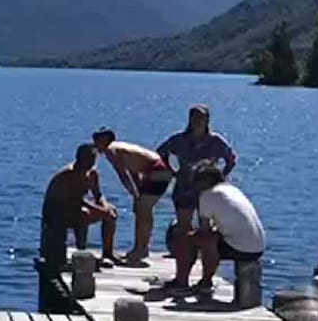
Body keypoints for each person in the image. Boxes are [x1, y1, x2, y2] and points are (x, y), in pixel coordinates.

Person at [171, 161, 264, 295]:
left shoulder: (208, 195)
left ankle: (183, 284)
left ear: (206, 181)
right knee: (209, 238)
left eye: (196, 180)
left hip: (239, 248)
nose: (194, 184)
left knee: (186, 240)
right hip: (257, 248)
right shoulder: (232, 190)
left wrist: (189, 235)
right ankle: (205, 282)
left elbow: (204, 231)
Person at [157, 104, 237, 254]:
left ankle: (205, 258)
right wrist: (171, 171)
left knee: (205, 229)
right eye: (195, 117)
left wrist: (219, 178)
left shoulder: (216, 141)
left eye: (202, 118)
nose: (198, 121)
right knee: (183, 226)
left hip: (206, 190)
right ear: (190, 119)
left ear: (207, 120)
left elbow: (231, 160)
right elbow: (160, 153)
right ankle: (184, 257)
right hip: (184, 187)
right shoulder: (179, 139)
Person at [92, 128, 174, 264]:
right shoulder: (121, 149)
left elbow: (123, 174)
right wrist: (137, 191)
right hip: (155, 169)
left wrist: (134, 193)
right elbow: (133, 171)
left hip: (158, 170)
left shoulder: (111, 149)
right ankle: (140, 247)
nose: (94, 144)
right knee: (141, 209)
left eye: (97, 140)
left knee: (143, 208)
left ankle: (141, 249)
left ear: (105, 140)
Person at [40, 144, 119, 267]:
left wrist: (105, 207)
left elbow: (98, 194)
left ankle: (108, 254)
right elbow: (76, 200)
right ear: (78, 158)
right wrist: (100, 211)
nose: (90, 162)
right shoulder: (68, 175)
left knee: (111, 212)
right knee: (84, 214)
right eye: (87, 158)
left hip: (75, 209)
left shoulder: (92, 174)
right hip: (57, 213)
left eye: (92, 159)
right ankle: (79, 249)